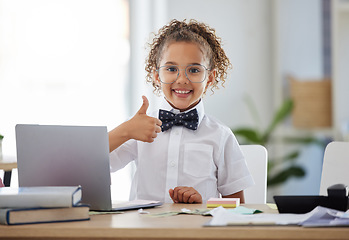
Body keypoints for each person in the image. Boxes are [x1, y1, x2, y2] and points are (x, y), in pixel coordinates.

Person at [109, 19, 254, 204]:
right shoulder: (137, 128)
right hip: (144, 231)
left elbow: (236, 206)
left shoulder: (221, 136)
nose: (182, 80)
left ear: (210, 77)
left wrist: (204, 204)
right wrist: (125, 130)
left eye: (194, 70)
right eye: (171, 69)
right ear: (156, 75)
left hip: (197, 231)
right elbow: (90, 164)